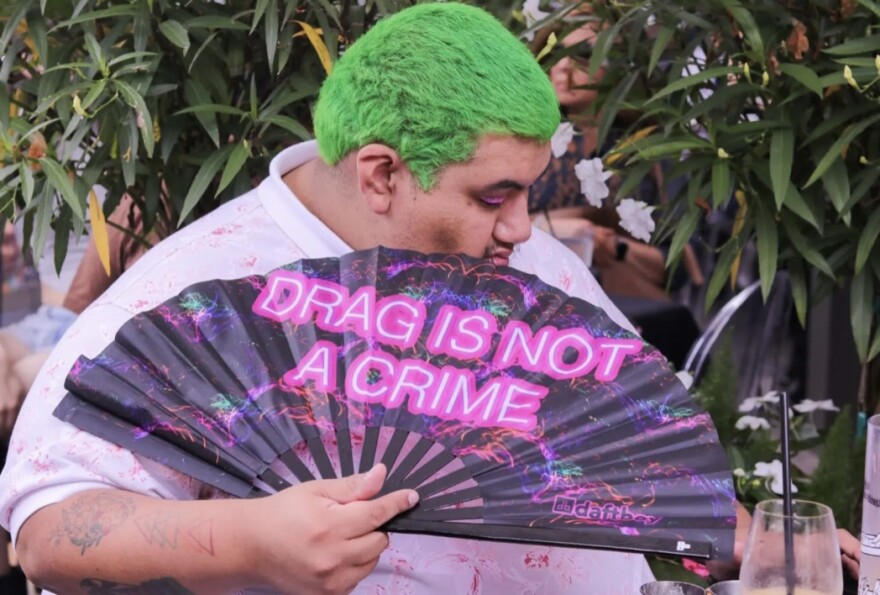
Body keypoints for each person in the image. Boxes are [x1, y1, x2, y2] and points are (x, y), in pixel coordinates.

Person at [0, 4, 738, 593]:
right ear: (381, 174)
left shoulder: (519, 256)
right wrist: (250, 539)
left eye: (528, 192)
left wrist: (737, 530)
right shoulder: (198, 292)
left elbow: (623, 435)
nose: (522, 227)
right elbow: (48, 532)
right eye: (494, 195)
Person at [529, 13, 704, 302]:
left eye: (583, 55)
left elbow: (681, 267)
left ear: (621, 68)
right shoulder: (522, 142)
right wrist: (551, 230)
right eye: (554, 54)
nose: (562, 68)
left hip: (625, 314)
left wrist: (609, 244)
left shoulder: (647, 149)